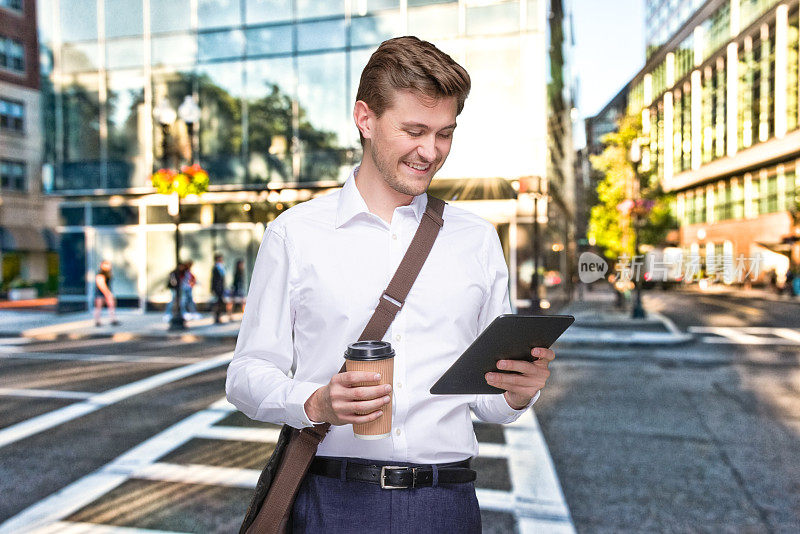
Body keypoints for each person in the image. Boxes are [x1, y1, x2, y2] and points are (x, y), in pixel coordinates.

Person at [226, 36, 556, 533]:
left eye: (445, 133)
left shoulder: (478, 240)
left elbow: (484, 400)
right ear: (365, 118)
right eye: (415, 130)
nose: (431, 152)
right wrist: (315, 402)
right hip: (330, 501)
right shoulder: (295, 234)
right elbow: (246, 374)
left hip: (447, 505)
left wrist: (515, 392)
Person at [94, 260, 120, 327]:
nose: (108, 266)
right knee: (99, 307)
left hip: (106, 292)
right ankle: (97, 321)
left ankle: (113, 320)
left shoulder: (108, 274)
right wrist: (108, 294)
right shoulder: (100, 274)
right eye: (106, 265)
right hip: (100, 293)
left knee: (111, 306)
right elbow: (101, 285)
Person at [211, 253, 227, 323]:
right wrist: (213, 289)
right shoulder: (215, 268)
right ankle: (216, 317)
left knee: (220, 303)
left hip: (221, 288)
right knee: (217, 303)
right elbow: (213, 279)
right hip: (217, 288)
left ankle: (219, 317)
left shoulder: (221, 267)